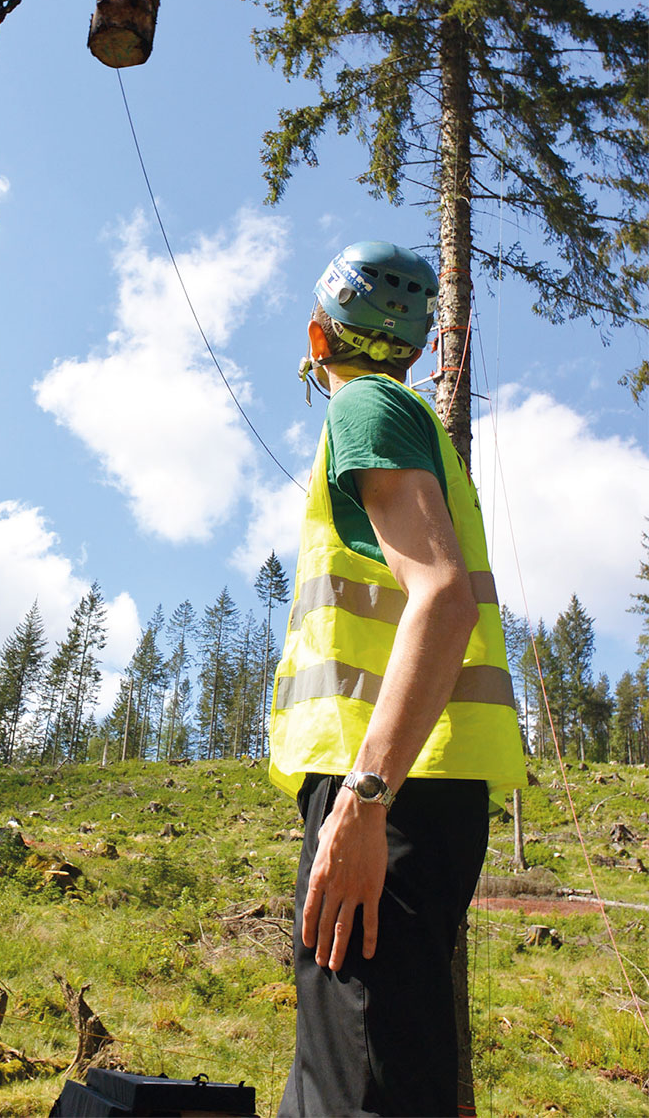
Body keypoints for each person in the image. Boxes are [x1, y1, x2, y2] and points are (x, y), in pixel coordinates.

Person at [271, 241, 526, 1118]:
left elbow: (443, 598)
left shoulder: (369, 408)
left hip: (394, 788)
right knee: (375, 1074)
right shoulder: (406, 415)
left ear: (318, 335)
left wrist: (365, 798)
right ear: (416, 345)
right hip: (419, 789)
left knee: (360, 1085)